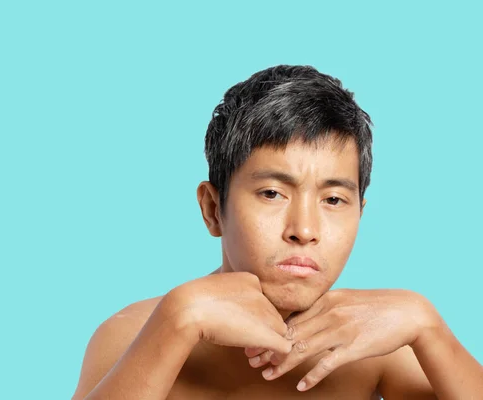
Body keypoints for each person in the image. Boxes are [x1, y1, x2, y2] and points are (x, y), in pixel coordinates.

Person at [72, 65, 483, 399]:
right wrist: (178, 321)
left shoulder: (384, 350)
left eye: (334, 200)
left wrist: (430, 329)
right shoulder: (132, 336)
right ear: (214, 209)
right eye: (272, 193)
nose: (304, 230)